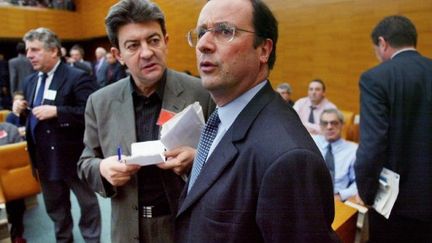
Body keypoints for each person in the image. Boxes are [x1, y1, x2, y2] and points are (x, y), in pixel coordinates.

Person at [176, 0, 339, 242]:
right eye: (201, 33)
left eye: (225, 31)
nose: (203, 44)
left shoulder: (289, 159)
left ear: (263, 50)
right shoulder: (223, 118)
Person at [76, 0, 214, 242]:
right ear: (118, 55)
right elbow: (85, 163)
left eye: (153, 40)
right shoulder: (100, 102)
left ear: (166, 41)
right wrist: (102, 168)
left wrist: (197, 158)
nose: (147, 52)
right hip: (127, 230)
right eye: (133, 45)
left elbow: (228, 159)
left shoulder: (201, 93)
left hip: (187, 226)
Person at [15, 27, 101, 242]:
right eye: (28, 50)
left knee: (87, 206)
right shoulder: (30, 81)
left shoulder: (77, 77)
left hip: (74, 157)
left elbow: (91, 114)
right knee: (56, 210)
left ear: (53, 51)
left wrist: (57, 111)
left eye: (35, 49)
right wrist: (20, 109)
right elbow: (32, 117)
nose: (29, 55)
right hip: (44, 159)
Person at [355, 15, 432, 242]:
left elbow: (373, 146)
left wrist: (367, 194)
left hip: (396, 206)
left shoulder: (376, 79)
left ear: (383, 43)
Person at [312, 108, 357, 202]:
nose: (329, 127)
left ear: (342, 125)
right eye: (325, 123)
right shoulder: (310, 142)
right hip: (309, 196)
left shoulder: (353, 150)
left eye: (334, 123)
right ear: (320, 126)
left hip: (337, 201)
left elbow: (359, 183)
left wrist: (341, 196)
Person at [0, 122, 26, 243]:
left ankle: (17, 233)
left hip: (10, 182)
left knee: (16, 201)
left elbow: (19, 158)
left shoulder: (9, 129)